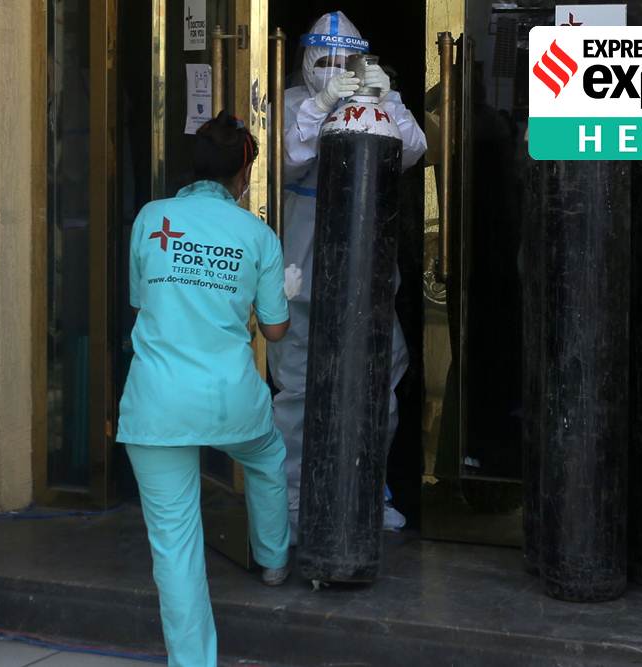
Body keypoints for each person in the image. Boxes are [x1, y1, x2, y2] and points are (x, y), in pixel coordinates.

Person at [118, 111, 293, 667]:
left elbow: (141, 303)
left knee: (175, 545)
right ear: (243, 174)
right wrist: (283, 290)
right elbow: (275, 330)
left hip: (157, 402)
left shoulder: (152, 218)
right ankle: (273, 560)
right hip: (229, 399)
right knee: (266, 456)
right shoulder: (257, 235)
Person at [268, 11, 428, 539]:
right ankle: (293, 498)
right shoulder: (288, 104)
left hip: (366, 267)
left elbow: (414, 151)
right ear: (306, 61)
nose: (337, 70)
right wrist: (318, 106)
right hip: (300, 269)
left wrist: (389, 100)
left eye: (348, 61)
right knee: (297, 386)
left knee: (378, 375)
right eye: (326, 61)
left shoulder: (378, 100)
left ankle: (366, 489)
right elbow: (284, 161)